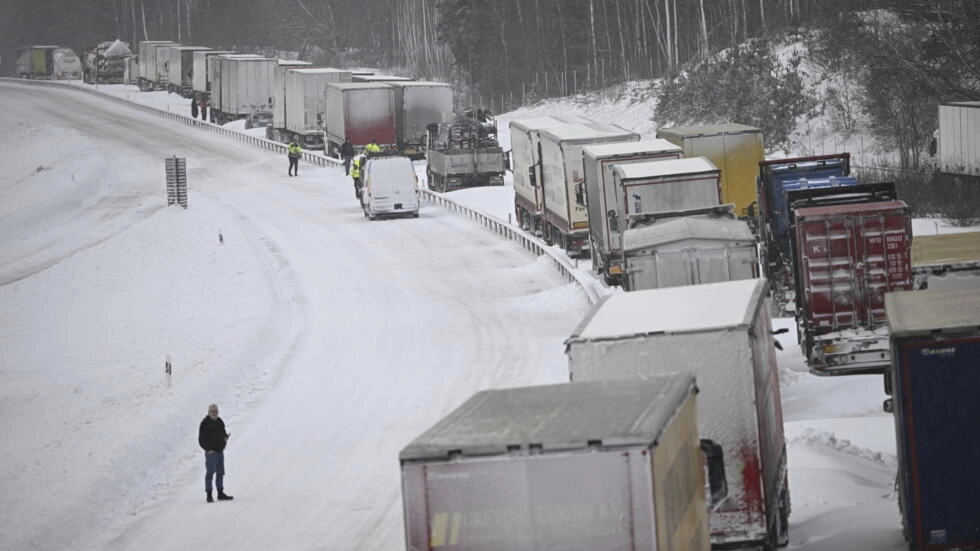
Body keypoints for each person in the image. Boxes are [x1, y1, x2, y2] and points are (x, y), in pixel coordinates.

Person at [198, 403, 233, 503]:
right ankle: (209, 495)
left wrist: (225, 437)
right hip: (211, 453)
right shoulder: (204, 424)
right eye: (212, 411)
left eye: (215, 411)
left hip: (220, 451)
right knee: (210, 473)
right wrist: (208, 449)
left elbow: (222, 433)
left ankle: (220, 493)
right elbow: (201, 440)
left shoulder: (220, 421)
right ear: (208, 412)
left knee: (220, 472)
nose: (214, 413)